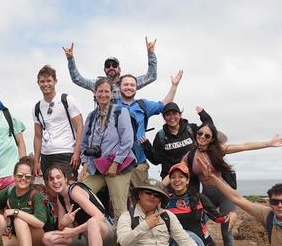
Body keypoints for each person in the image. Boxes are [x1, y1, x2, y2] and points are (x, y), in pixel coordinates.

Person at [182, 121, 282, 246]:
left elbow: (244, 146)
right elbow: (175, 172)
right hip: (206, 196)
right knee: (197, 226)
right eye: (200, 133)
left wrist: (268, 143)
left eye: (207, 135)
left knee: (226, 231)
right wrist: (159, 187)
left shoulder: (218, 150)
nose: (202, 137)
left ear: (212, 139)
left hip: (225, 194)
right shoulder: (190, 155)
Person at [163, 163, 248, 246]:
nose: (176, 180)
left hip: (202, 241)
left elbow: (217, 217)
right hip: (179, 244)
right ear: (169, 180)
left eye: (181, 177)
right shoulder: (166, 200)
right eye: (173, 177)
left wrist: (231, 214)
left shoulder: (198, 198)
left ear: (187, 180)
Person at [41, 165, 117, 246]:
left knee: (93, 222)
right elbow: (61, 229)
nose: (55, 181)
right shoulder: (60, 197)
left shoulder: (74, 191)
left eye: (58, 177)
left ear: (65, 178)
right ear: (47, 182)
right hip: (87, 235)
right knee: (48, 238)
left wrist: (73, 231)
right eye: (51, 178)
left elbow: (99, 216)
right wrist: (64, 223)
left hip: (106, 231)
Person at [79, 78, 135, 223]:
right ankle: (99, 229)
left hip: (117, 167)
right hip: (97, 167)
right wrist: (85, 162)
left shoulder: (120, 111)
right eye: (100, 91)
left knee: (119, 208)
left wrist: (116, 162)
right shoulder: (92, 116)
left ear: (112, 94)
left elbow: (127, 140)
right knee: (79, 193)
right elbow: (84, 143)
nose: (103, 95)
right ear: (94, 93)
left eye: (106, 91)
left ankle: (123, 243)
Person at [0, 157, 56, 246]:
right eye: (20, 175)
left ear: (32, 179)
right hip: (18, 236)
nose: (23, 178)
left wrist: (16, 212)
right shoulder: (10, 191)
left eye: (28, 176)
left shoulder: (35, 195)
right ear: (13, 176)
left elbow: (40, 223)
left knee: (19, 219)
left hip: (37, 236)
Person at [119, 70, 183, 187]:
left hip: (139, 164)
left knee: (140, 199)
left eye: (132, 85)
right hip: (118, 163)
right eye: (126, 84)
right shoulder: (112, 106)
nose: (129, 87)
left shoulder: (143, 105)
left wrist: (174, 86)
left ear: (136, 88)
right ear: (119, 87)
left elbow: (163, 105)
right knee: (117, 201)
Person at [63, 37, 158, 102]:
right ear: (104, 70)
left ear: (119, 69)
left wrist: (151, 54)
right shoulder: (97, 84)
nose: (111, 67)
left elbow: (151, 76)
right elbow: (77, 79)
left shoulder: (128, 84)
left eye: (114, 65)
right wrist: (70, 59)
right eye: (108, 65)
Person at [32, 65, 83, 180]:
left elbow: (80, 126)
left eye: (49, 80)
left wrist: (77, 152)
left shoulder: (66, 99)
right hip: (46, 156)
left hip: (66, 153)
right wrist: (36, 161)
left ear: (55, 81)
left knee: (69, 190)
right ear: (38, 83)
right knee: (51, 193)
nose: (45, 84)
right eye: (42, 81)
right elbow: (38, 136)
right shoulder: (37, 107)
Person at [142, 103, 212, 180]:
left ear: (180, 115)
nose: (172, 117)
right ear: (164, 117)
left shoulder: (191, 129)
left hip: (191, 178)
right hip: (170, 179)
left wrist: (202, 114)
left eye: (175, 113)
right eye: (168, 114)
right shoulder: (161, 136)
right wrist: (146, 146)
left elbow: (209, 128)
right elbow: (156, 160)